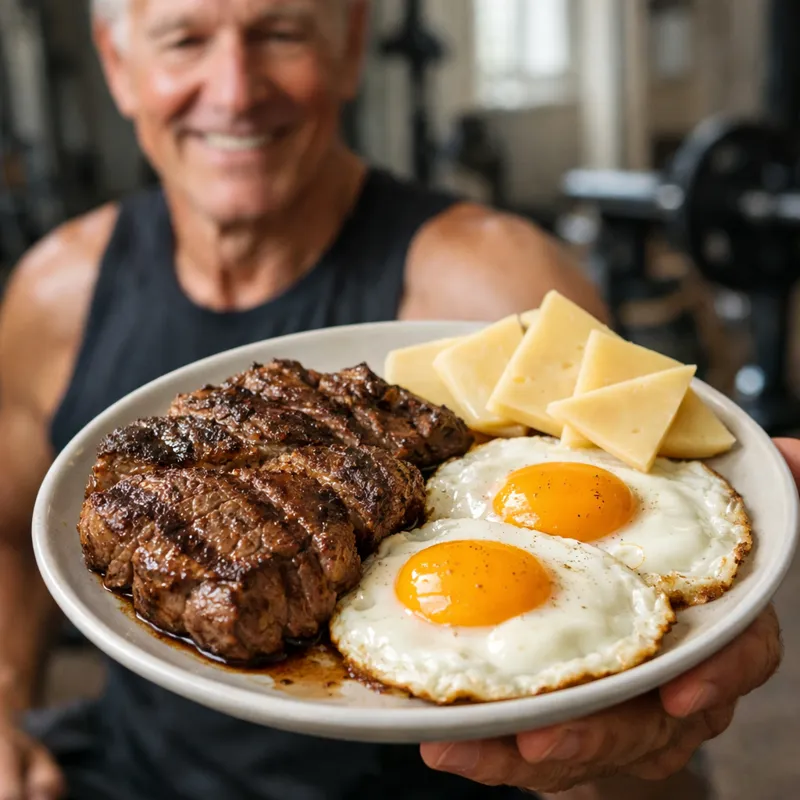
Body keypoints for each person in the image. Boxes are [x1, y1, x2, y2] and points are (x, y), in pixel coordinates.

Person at [0, 1, 785, 798]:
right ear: (116, 62)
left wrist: (635, 755)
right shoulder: (54, 293)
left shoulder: (500, 284)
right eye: (184, 39)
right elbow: (9, 531)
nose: (234, 90)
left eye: (280, 33)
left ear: (349, 48)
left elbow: (624, 635)